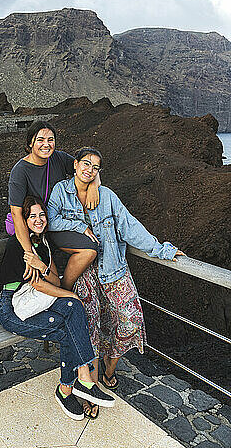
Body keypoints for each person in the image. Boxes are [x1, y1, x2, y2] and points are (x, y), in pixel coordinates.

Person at [47, 147, 185, 417]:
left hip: (113, 269)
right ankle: (91, 391)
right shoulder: (60, 192)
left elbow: (129, 226)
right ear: (75, 165)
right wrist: (79, 227)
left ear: (99, 172)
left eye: (96, 167)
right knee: (91, 331)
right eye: (86, 164)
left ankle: (110, 369)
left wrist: (163, 250)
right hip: (84, 273)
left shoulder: (107, 196)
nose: (89, 169)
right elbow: (51, 221)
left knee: (130, 320)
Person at [0, 195, 115, 420]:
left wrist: (42, 265)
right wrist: (71, 295)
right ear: (24, 219)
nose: (39, 219)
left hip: (35, 301)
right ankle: (68, 388)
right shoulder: (19, 245)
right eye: (32, 216)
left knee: (72, 309)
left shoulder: (43, 245)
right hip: (12, 310)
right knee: (69, 323)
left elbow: (55, 282)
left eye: (42, 215)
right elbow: (41, 285)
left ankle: (81, 382)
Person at [8, 121, 100, 286]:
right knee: (43, 279)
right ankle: (63, 294)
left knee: (90, 248)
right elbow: (16, 213)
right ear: (30, 143)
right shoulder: (20, 171)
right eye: (40, 140)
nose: (46, 144)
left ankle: (67, 290)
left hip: (56, 222)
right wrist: (30, 254)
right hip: (35, 228)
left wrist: (93, 186)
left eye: (50, 140)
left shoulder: (59, 158)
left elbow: (87, 168)